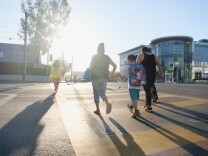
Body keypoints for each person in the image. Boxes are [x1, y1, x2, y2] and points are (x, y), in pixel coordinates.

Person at [90, 43, 117, 115]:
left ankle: (98, 109)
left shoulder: (94, 56)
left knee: (96, 93)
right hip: (104, 78)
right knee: (102, 93)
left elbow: (91, 67)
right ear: (104, 50)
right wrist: (111, 75)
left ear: (97, 49)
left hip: (95, 77)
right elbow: (115, 65)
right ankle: (107, 103)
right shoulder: (107, 57)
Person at [136, 47, 163, 112]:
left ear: (142, 51)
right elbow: (159, 66)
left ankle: (149, 107)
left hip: (144, 76)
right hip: (152, 76)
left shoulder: (140, 55)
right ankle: (147, 104)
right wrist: (161, 75)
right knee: (148, 90)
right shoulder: (155, 56)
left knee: (147, 91)